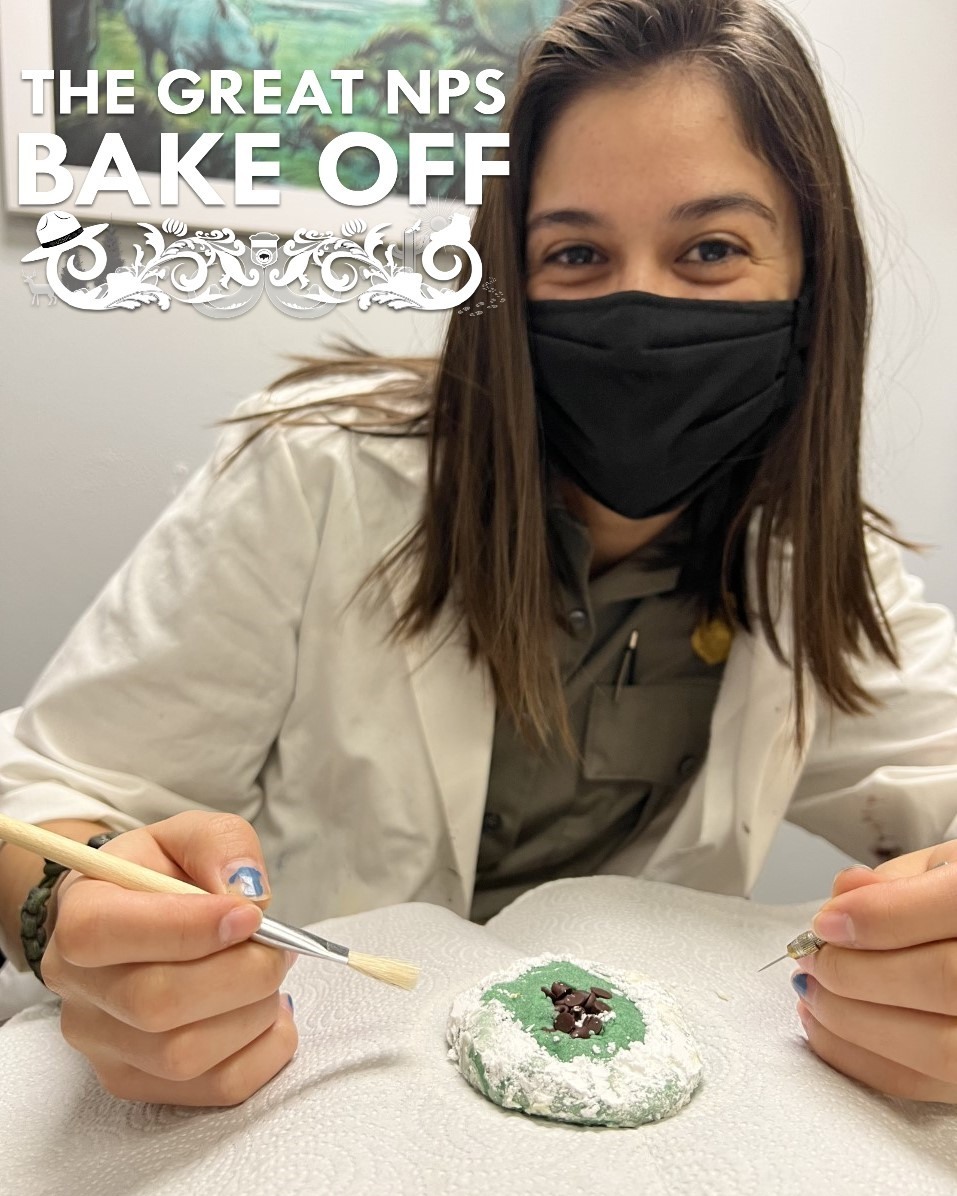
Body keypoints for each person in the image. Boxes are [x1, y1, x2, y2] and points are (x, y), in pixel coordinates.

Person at [1, 0, 956, 1109]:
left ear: (812, 282)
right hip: (315, 1084)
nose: (641, 309)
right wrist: (66, 919)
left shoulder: (813, 569)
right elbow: (43, 792)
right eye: (576, 253)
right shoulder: (316, 475)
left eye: (710, 249)